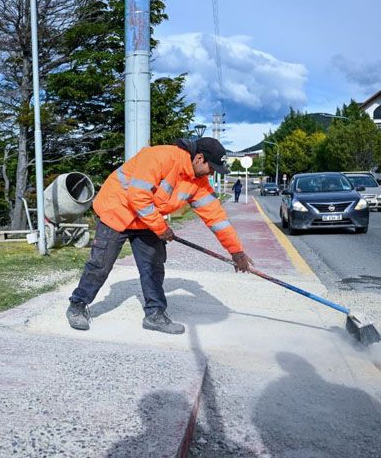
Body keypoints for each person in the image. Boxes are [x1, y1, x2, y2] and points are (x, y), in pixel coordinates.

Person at [66, 136, 254, 335]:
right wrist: (161, 228)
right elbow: (137, 197)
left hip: (147, 219)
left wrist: (236, 251)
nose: (212, 173)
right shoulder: (160, 157)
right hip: (117, 210)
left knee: (153, 266)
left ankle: (155, 315)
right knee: (100, 264)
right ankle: (77, 305)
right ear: (199, 158)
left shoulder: (198, 183)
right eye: (212, 168)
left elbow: (216, 218)